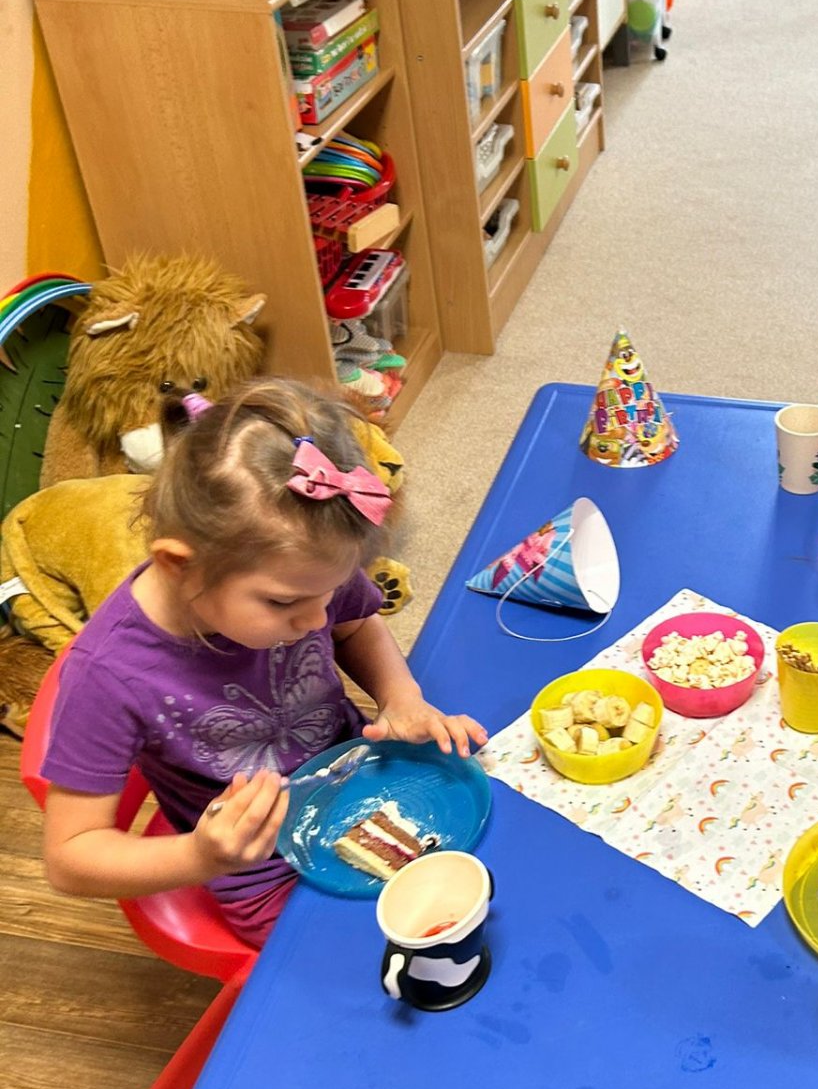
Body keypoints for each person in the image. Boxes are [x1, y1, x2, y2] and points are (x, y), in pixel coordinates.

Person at [41, 380, 487, 947]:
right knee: (390, 963)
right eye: (284, 603)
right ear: (179, 565)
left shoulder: (298, 570)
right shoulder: (108, 676)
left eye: (328, 593)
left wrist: (400, 696)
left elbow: (355, 625)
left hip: (358, 779)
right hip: (263, 870)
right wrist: (200, 855)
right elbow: (70, 859)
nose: (316, 618)